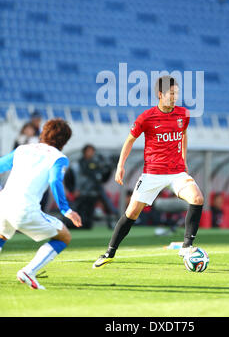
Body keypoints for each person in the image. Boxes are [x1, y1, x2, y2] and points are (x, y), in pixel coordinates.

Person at [93, 75, 204, 269]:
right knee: (131, 213)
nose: (175, 97)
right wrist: (120, 166)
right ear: (160, 95)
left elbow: (184, 136)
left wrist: (184, 159)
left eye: (177, 93)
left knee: (197, 198)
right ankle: (109, 252)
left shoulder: (183, 114)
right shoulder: (146, 117)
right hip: (152, 173)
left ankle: (187, 246)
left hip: (176, 172)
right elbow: (129, 140)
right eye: (171, 93)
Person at [0, 118, 82, 290]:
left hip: (3, 204)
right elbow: (55, 181)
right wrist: (66, 210)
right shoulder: (59, 158)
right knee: (64, 236)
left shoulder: (23, 149)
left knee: (2, 235)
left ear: (43, 133)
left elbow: (1, 166)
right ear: (65, 141)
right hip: (24, 210)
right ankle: (29, 272)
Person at [64, 144, 118, 229]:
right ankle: (73, 225)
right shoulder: (76, 165)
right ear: (84, 152)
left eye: (92, 151)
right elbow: (67, 179)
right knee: (78, 212)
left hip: (93, 194)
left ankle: (88, 225)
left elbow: (103, 179)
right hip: (80, 194)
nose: (91, 153)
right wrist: (72, 191)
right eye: (89, 151)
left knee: (89, 219)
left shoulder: (97, 165)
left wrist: (109, 170)